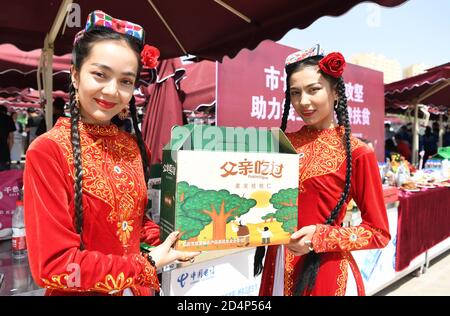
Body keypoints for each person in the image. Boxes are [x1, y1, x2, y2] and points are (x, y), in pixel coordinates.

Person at [23, 10, 199, 296]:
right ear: (75, 75)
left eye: (126, 81)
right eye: (100, 74)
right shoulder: (48, 152)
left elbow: (138, 225)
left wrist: (174, 239)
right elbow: (53, 266)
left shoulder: (134, 147)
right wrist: (146, 264)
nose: (111, 90)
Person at [255, 46, 390, 296]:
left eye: (313, 90)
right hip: (276, 267)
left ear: (335, 92)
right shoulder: (280, 145)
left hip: (325, 274)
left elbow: (378, 233)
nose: (303, 102)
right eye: (295, 93)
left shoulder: (357, 152)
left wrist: (321, 236)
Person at [0, 105, 16, 171]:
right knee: (5, 176)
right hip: (4, 151)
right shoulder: (8, 118)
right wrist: (9, 150)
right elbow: (11, 138)